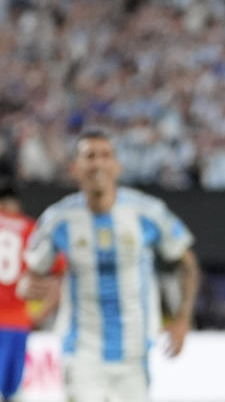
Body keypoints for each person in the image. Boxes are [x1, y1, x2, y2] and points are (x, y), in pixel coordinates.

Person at [20, 130, 199, 402]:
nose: (98, 163)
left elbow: (187, 262)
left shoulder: (146, 212)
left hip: (135, 352)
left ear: (117, 166)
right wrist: (30, 286)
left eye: (105, 155)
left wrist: (183, 318)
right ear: (75, 168)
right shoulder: (58, 219)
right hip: (80, 351)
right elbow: (31, 272)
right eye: (89, 156)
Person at [0, 182, 59, 402]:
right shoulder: (30, 228)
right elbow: (60, 275)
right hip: (18, 322)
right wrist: (38, 315)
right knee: (12, 393)